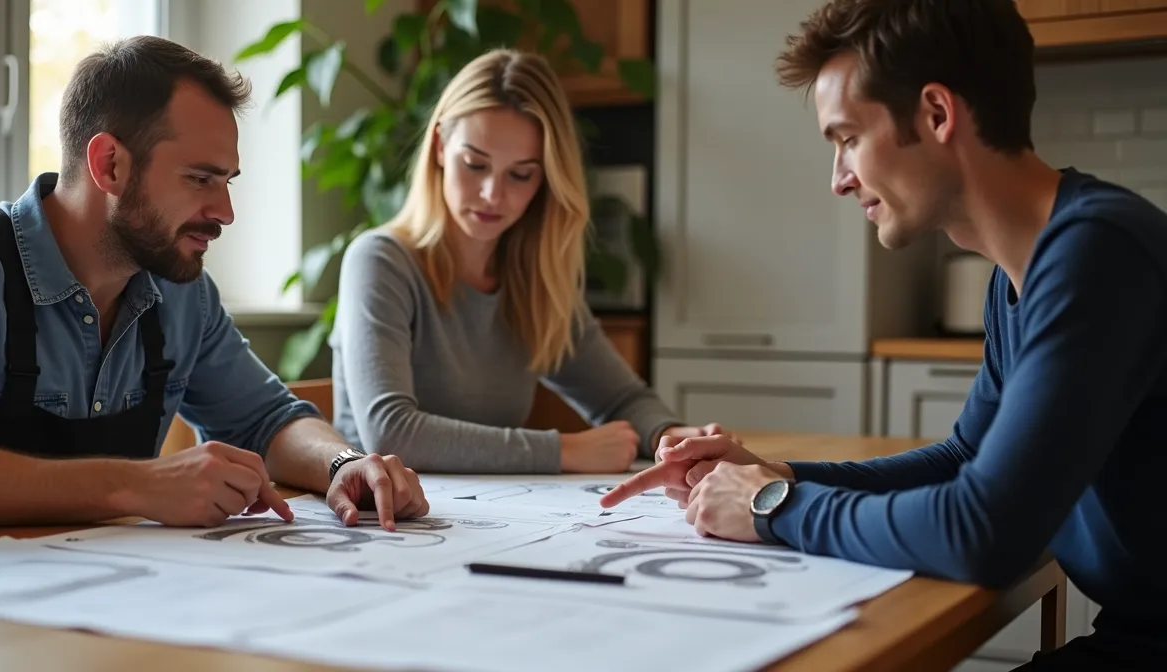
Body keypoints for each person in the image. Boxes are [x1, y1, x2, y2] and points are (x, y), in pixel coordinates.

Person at [602, 0, 1167, 668]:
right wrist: (775, 473)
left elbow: (982, 534)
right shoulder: (1023, 272)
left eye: (846, 138)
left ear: (936, 114)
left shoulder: (1097, 252)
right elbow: (965, 457)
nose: (839, 179)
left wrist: (770, 506)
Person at [0, 36, 429, 531]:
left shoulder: (181, 294)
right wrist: (137, 486)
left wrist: (342, 462)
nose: (225, 212)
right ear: (109, 165)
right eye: (200, 178)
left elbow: (266, 420)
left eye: (227, 181)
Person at [330, 48, 720, 475]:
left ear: (547, 178)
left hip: (495, 518)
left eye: (521, 174)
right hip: (382, 520)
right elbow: (391, 434)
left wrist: (668, 436)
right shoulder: (380, 260)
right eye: (475, 164)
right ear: (440, 146)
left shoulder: (533, 279)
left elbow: (620, 399)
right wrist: (564, 451)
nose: (492, 194)